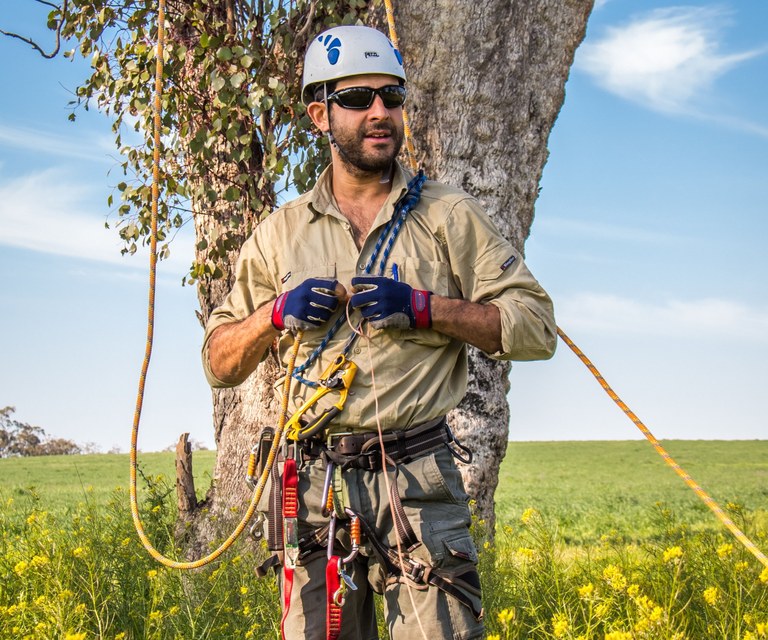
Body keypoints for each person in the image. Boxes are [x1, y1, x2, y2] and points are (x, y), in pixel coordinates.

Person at [202, 24, 556, 640]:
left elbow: (536, 328)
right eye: (358, 98)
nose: (380, 112)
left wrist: (426, 308)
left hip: (418, 477)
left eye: (392, 97)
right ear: (320, 114)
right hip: (313, 487)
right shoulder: (279, 234)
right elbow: (219, 361)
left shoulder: (447, 216)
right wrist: (273, 315)